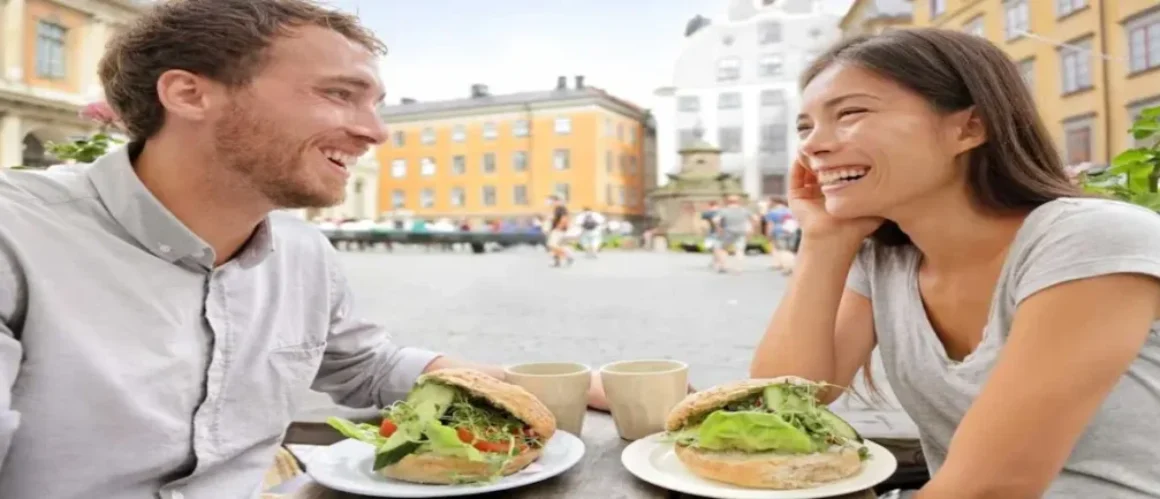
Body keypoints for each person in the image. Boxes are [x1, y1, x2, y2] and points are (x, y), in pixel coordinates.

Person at [0, 1, 607, 498]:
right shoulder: (16, 238)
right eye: (340, 94)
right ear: (188, 94)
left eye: (375, 105)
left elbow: (367, 366)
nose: (375, 132)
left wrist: (556, 386)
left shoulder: (302, 251)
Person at [750, 28, 1160, 499]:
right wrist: (824, 242)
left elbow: (996, 486)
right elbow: (779, 404)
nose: (812, 146)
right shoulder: (887, 259)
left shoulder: (1089, 238)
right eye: (805, 127)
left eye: (850, 113)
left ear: (969, 128)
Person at [711, 195, 755, 273]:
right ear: (739, 201)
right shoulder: (744, 210)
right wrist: (752, 228)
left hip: (728, 231)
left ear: (728, 202)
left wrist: (719, 228)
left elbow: (715, 220)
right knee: (739, 249)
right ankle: (739, 268)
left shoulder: (724, 210)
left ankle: (724, 266)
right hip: (741, 231)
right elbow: (755, 218)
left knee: (723, 248)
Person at [545, 195, 574, 267]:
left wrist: (559, 227)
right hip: (557, 229)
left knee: (552, 245)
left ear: (555, 201)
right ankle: (557, 262)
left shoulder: (560, 208)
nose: (548, 203)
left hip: (558, 230)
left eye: (550, 201)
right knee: (556, 246)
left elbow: (564, 218)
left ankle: (567, 255)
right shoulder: (557, 208)